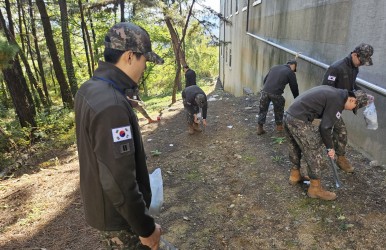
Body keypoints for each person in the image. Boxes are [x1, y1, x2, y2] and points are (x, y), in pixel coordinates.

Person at [74, 22, 163, 250]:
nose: (145, 68)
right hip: (120, 220)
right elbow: (118, 180)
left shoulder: (89, 89)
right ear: (130, 57)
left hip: (106, 209)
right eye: (144, 60)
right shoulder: (112, 106)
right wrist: (146, 228)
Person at [284, 85, 368, 201]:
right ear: (353, 100)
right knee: (314, 151)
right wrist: (330, 148)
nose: (350, 110)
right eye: (353, 108)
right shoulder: (338, 101)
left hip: (289, 115)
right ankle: (315, 189)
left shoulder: (336, 93)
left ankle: (295, 175)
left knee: (295, 145)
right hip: (299, 120)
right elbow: (325, 127)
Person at [321, 43, 374, 173]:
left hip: (339, 104)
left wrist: (363, 93)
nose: (361, 64)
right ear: (354, 55)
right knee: (341, 132)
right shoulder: (336, 68)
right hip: (329, 105)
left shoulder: (354, 68)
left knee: (337, 131)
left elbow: (352, 85)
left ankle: (337, 156)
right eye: (361, 61)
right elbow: (325, 89)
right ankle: (338, 158)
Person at [257, 60, 299, 135]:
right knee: (279, 108)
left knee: (263, 109)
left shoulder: (274, 67)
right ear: (293, 66)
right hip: (276, 93)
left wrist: (266, 89)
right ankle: (279, 127)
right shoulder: (290, 72)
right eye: (295, 69)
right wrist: (297, 98)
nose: (294, 71)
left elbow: (265, 80)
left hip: (265, 91)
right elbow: (294, 87)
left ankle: (260, 128)